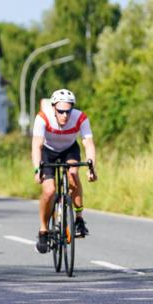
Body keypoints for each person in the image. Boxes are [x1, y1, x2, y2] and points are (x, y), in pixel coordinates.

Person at [32, 88, 97, 254]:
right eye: (61, 111)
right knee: (49, 191)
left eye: (68, 111)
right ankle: (43, 229)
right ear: (53, 107)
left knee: (73, 174)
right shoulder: (43, 117)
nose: (65, 116)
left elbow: (88, 143)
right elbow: (37, 145)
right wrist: (37, 169)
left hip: (69, 149)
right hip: (48, 151)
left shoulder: (80, 117)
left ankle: (79, 219)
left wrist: (91, 168)